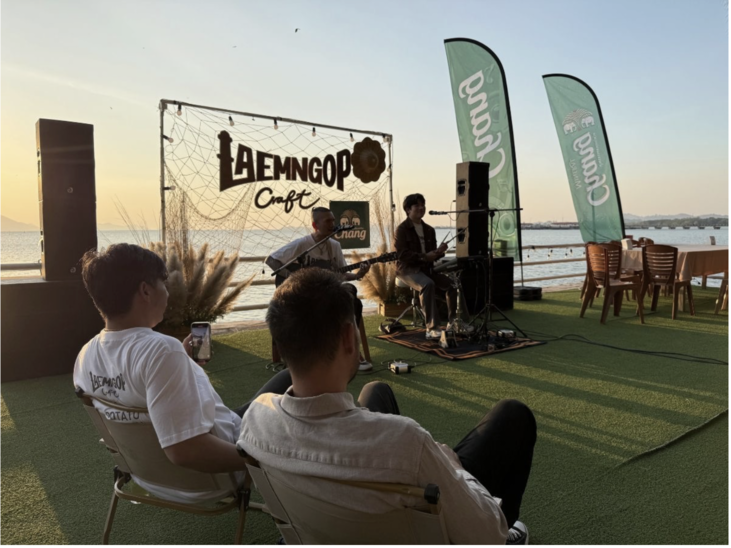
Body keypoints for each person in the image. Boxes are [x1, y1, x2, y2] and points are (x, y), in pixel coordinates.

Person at [239, 268, 536, 544]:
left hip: (316, 532)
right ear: (348, 337)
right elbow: (486, 535)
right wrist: (455, 469)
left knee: (375, 390)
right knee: (513, 415)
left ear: (278, 343)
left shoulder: (256, 420)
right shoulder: (407, 443)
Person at [73, 243, 292, 504]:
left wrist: (184, 363)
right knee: (289, 379)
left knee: (260, 402)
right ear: (145, 290)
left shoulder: (86, 355)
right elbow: (185, 451)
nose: (167, 292)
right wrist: (262, 460)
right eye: (163, 284)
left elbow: (135, 397)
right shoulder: (161, 351)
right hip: (210, 478)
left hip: (147, 477)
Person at [265, 206, 372, 371]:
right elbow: (271, 260)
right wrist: (293, 277)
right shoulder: (302, 244)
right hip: (304, 293)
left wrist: (358, 274)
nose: (332, 224)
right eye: (328, 221)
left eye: (333, 221)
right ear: (315, 225)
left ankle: (350, 352)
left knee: (353, 298)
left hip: (324, 292)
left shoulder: (334, 246)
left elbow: (341, 274)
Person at [395, 193, 458, 339]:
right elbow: (402, 255)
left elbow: (432, 254)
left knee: (453, 285)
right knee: (427, 284)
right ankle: (432, 328)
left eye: (423, 205)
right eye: (417, 205)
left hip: (426, 269)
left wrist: (439, 252)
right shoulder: (401, 229)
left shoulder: (430, 229)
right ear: (408, 210)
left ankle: (455, 322)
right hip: (407, 270)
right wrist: (424, 256)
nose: (421, 208)